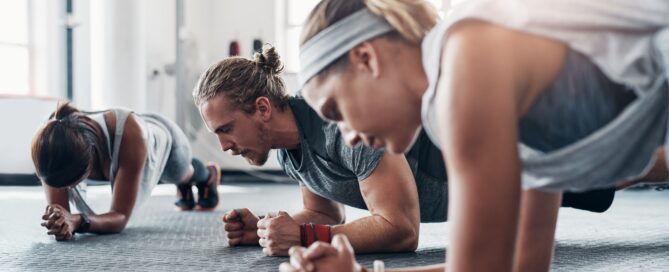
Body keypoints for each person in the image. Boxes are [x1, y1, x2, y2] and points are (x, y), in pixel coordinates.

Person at [281, 0, 669, 271]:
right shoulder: (471, 89)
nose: (347, 137)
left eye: (336, 112)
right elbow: (522, 264)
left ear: (366, 58)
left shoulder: (465, 63)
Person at [192, 45, 621, 257]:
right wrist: (266, 229)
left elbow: (401, 229)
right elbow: (325, 215)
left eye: (226, 129)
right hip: (497, 190)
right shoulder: (290, 151)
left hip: (513, 154)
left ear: (262, 108)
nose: (225, 146)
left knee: (626, 163)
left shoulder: (340, 123)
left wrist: (303, 238)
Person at [32, 102, 221, 241]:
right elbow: (61, 213)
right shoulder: (49, 143)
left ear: (91, 158)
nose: (65, 188)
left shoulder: (132, 136)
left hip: (165, 138)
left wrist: (78, 222)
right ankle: (185, 187)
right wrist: (59, 221)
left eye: (71, 183)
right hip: (134, 139)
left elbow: (120, 217)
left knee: (179, 174)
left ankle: (207, 175)